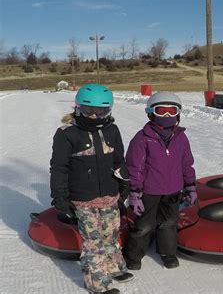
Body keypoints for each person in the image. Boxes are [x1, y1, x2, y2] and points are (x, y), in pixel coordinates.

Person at [50, 84, 134, 294]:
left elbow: (118, 161)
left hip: (109, 194)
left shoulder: (112, 130)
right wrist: (60, 196)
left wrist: (124, 185)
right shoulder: (67, 133)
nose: (95, 116)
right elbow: (59, 167)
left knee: (110, 234)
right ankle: (98, 283)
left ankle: (113, 268)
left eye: (102, 111)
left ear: (109, 110)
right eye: (89, 111)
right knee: (93, 241)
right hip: (83, 198)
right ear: (78, 107)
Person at [124, 91, 197, 270]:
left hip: (173, 190)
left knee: (169, 223)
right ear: (150, 112)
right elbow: (135, 168)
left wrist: (190, 187)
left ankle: (167, 253)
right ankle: (133, 256)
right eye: (161, 110)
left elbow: (187, 163)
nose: (166, 115)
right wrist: (134, 193)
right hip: (149, 191)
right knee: (143, 225)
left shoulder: (181, 137)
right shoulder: (142, 139)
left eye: (172, 111)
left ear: (178, 114)